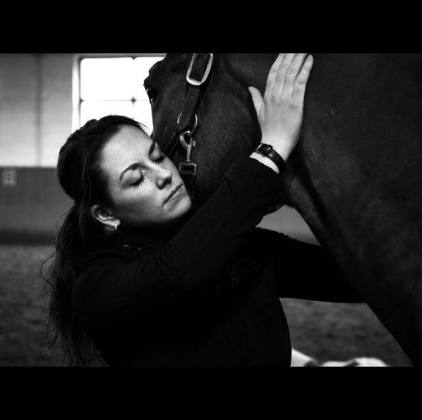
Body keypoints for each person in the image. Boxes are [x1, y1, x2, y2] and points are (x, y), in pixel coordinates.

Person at [45, 53, 363, 366]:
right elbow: (176, 274)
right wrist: (271, 150)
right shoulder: (97, 289)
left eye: (157, 157)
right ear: (105, 214)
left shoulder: (240, 247)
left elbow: (357, 277)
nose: (163, 175)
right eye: (136, 179)